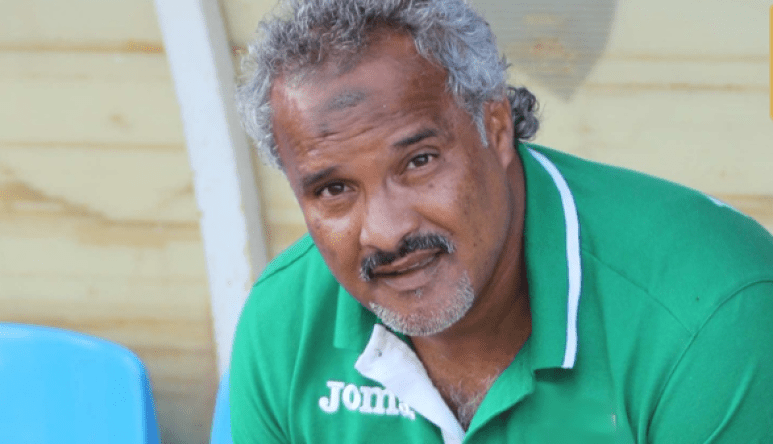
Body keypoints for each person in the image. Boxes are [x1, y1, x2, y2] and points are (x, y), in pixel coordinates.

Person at [229, 0, 773, 442]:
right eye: (334, 190)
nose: (387, 231)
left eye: (419, 161)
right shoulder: (283, 325)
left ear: (496, 126)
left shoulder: (709, 317)